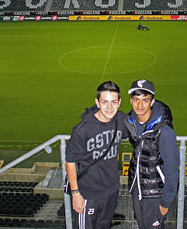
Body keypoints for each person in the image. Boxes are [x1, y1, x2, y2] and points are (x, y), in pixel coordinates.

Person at [65, 81, 127, 229]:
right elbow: (70, 162)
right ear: (97, 103)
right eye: (104, 102)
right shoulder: (83, 130)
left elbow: (141, 125)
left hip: (111, 191)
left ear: (119, 103)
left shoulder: (121, 120)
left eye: (113, 102)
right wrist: (75, 193)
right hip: (88, 194)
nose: (109, 107)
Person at [124, 79, 179, 229]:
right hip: (138, 191)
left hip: (155, 196)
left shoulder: (165, 132)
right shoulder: (131, 123)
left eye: (145, 100)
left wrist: (165, 203)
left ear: (152, 102)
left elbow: (173, 170)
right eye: (136, 100)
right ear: (131, 101)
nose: (140, 105)